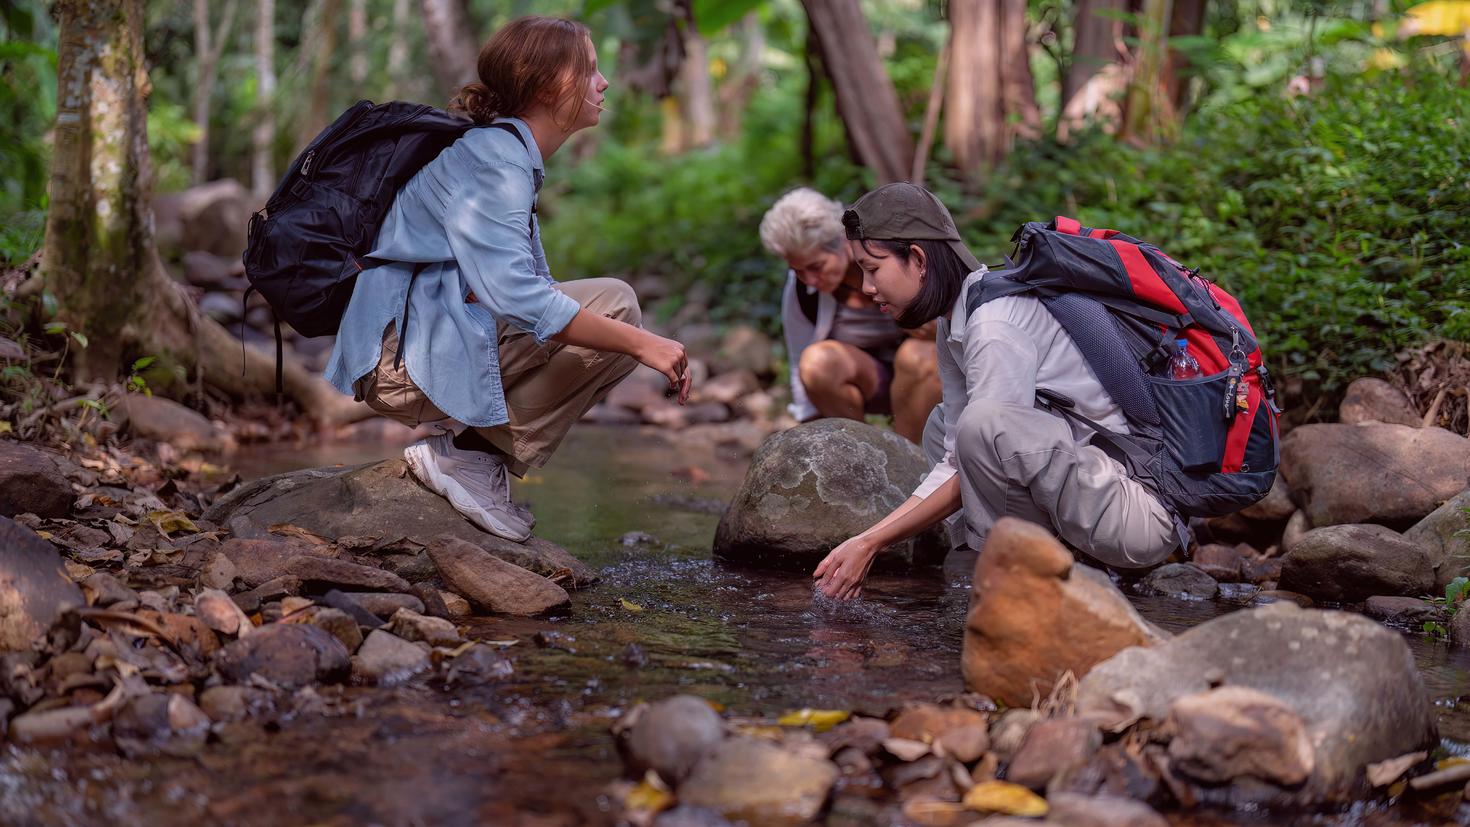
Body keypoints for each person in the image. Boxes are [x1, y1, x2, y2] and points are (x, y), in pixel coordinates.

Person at [324, 16, 691, 542]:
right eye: (589, 69)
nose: (603, 81)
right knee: (616, 306)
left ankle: (472, 457)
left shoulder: (502, 155)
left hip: (402, 351)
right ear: (547, 87)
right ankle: (469, 457)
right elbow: (520, 299)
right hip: (398, 362)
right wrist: (643, 344)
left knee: (606, 311)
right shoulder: (497, 162)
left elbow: (520, 291)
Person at [812, 183, 1179, 599]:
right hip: (1090, 492)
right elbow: (955, 454)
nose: (865, 287)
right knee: (942, 425)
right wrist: (871, 538)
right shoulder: (957, 319)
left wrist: (871, 542)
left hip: (1134, 517)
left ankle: (1008, 582)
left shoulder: (995, 325)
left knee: (982, 425)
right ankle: (979, 559)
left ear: (917, 259)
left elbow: (982, 443)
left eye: (873, 268)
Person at [759, 188, 942, 444]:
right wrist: (807, 429)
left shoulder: (893, 257)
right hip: (871, 381)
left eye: (816, 266)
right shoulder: (802, 289)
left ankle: (912, 459)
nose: (809, 279)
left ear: (843, 242)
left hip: (925, 380)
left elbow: (957, 322)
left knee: (919, 354)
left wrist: (930, 323)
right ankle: (863, 452)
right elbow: (797, 356)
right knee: (816, 362)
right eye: (797, 270)